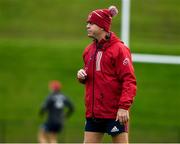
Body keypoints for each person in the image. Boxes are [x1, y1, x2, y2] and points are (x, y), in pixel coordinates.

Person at [77, 5, 137, 143]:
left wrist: (123, 107)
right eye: (87, 23)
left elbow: (129, 80)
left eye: (91, 23)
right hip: (93, 113)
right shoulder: (88, 51)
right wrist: (82, 76)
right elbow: (92, 76)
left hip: (115, 113)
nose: (87, 26)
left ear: (102, 26)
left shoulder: (119, 49)